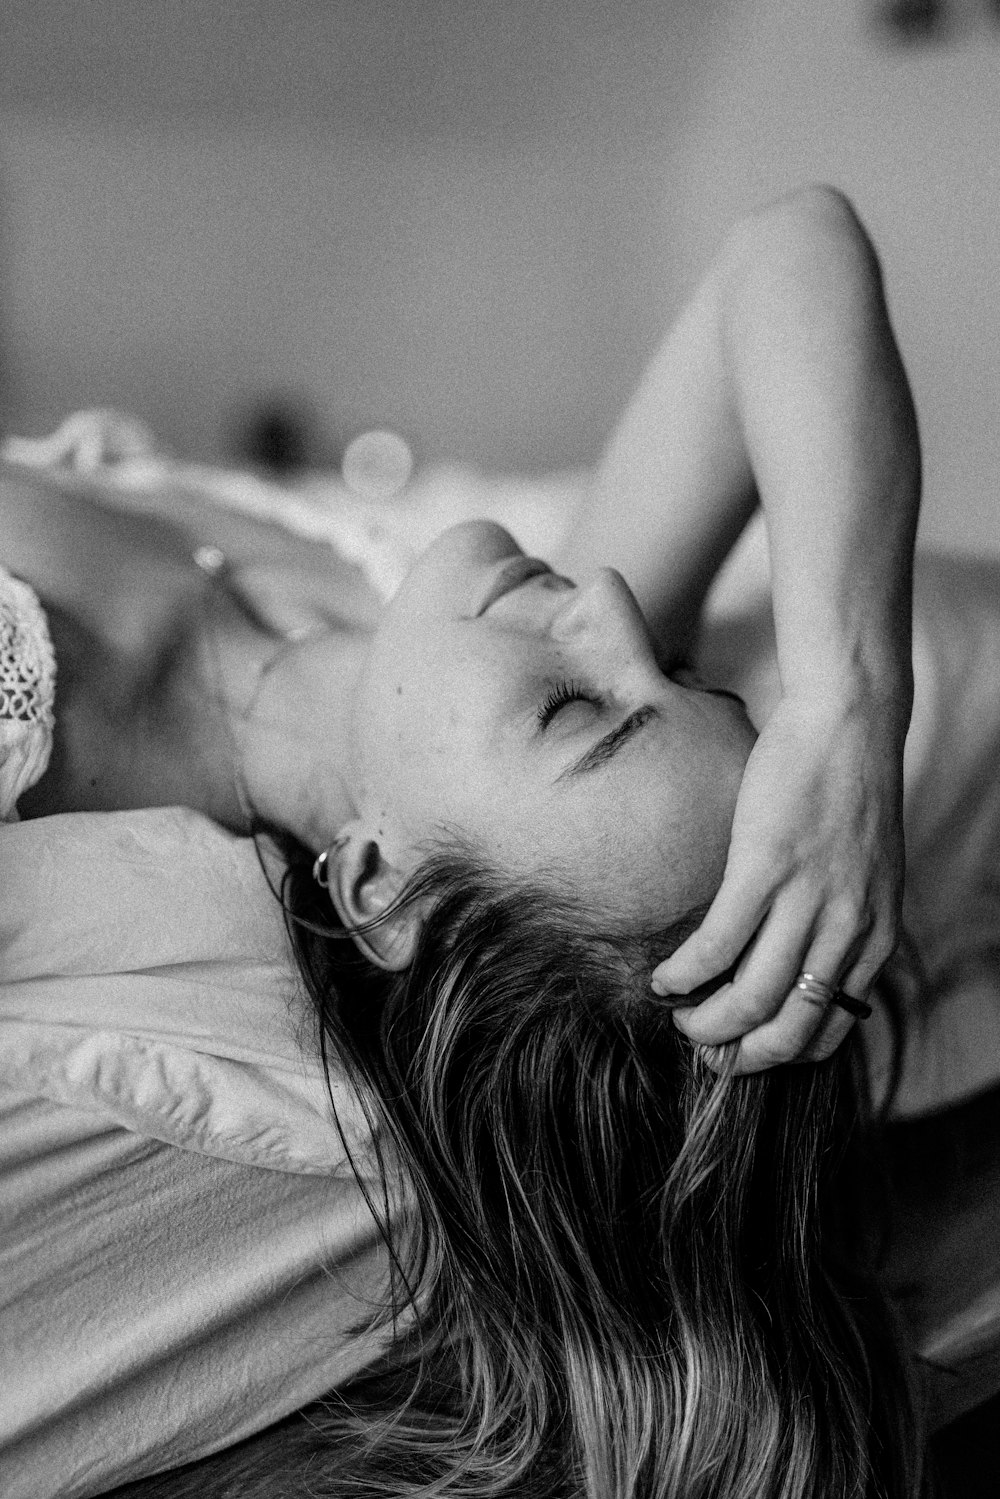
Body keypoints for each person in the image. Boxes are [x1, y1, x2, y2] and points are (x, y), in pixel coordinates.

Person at [4, 184, 990, 1496]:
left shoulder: (84, 776)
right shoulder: (464, 684)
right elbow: (789, 245)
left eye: (579, 711)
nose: (617, 610)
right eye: (683, 684)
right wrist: (847, 717)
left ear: (377, 885)